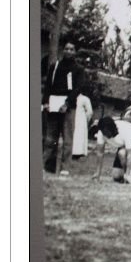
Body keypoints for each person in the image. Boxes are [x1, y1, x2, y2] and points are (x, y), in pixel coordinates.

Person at [42, 41, 85, 174]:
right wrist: (46, 102)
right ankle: (47, 166)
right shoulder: (55, 66)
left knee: (67, 139)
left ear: (75, 52)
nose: (68, 51)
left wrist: (67, 103)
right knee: (50, 139)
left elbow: (77, 88)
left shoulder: (78, 69)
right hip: (53, 105)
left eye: (71, 49)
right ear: (63, 50)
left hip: (68, 106)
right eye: (66, 49)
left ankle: (65, 168)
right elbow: (48, 85)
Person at [92, 117, 131, 184]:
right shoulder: (101, 133)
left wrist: (127, 174)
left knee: (122, 153)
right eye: (104, 132)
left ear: (112, 129)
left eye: (107, 132)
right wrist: (97, 174)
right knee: (116, 176)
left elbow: (129, 155)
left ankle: (128, 175)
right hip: (123, 145)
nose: (106, 135)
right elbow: (100, 153)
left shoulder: (124, 131)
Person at [71, 89, 94, 158]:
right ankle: (76, 152)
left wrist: (86, 119)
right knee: (78, 134)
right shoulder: (82, 99)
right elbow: (90, 112)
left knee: (78, 135)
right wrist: (87, 119)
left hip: (80, 118)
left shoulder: (84, 99)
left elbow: (89, 112)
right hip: (79, 119)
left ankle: (77, 152)